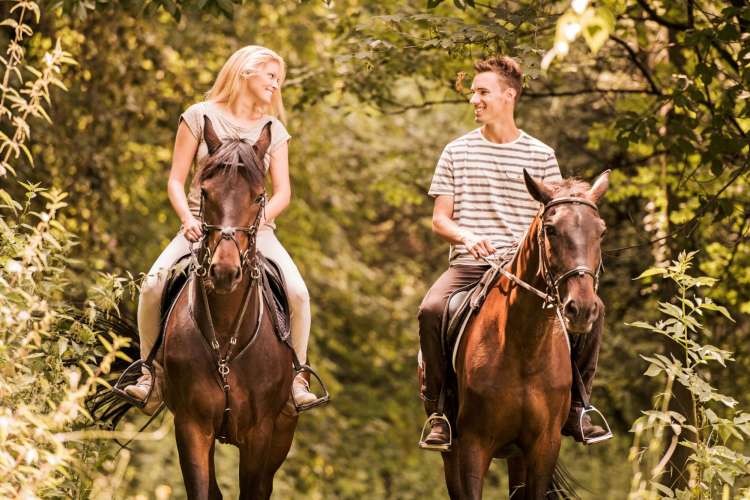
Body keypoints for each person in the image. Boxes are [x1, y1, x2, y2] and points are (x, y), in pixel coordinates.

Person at [418, 55, 608, 449]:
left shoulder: (541, 155)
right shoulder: (456, 151)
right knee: (431, 309)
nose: (474, 99)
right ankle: (438, 411)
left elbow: (557, 217)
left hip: (527, 272)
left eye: (482, 92)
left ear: (509, 96)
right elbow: (440, 219)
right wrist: (467, 236)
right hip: (472, 264)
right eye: (473, 92)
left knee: (597, 310)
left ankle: (579, 406)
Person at [124, 45, 318, 408]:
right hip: (201, 228)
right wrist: (187, 219)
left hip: (255, 232)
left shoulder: (273, 129)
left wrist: (258, 223)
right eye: (271, 76)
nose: (276, 85)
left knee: (298, 293)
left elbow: (283, 192)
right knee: (152, 285)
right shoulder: (198, 116)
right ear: (245, 72)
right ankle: (150, 376)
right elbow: (175, 181)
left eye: (280, 79)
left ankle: (298, 379)